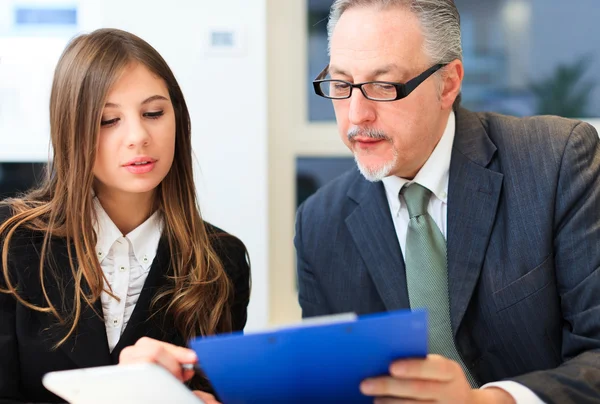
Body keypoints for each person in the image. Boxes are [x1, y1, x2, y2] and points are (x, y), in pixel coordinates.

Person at [294, 1, 600, 403]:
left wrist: (488, 402)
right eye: (340, 84)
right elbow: (329, 384)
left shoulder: (555, 162)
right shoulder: (320, 223)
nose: (356, 115)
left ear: (449, 83)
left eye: (383, 86)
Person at [0, 28, 250, 404]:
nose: (138, 136)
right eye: (107, 120)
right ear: (72, 130)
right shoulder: (9, 241)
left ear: (178, 119)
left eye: (153, 113)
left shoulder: (221, 260)